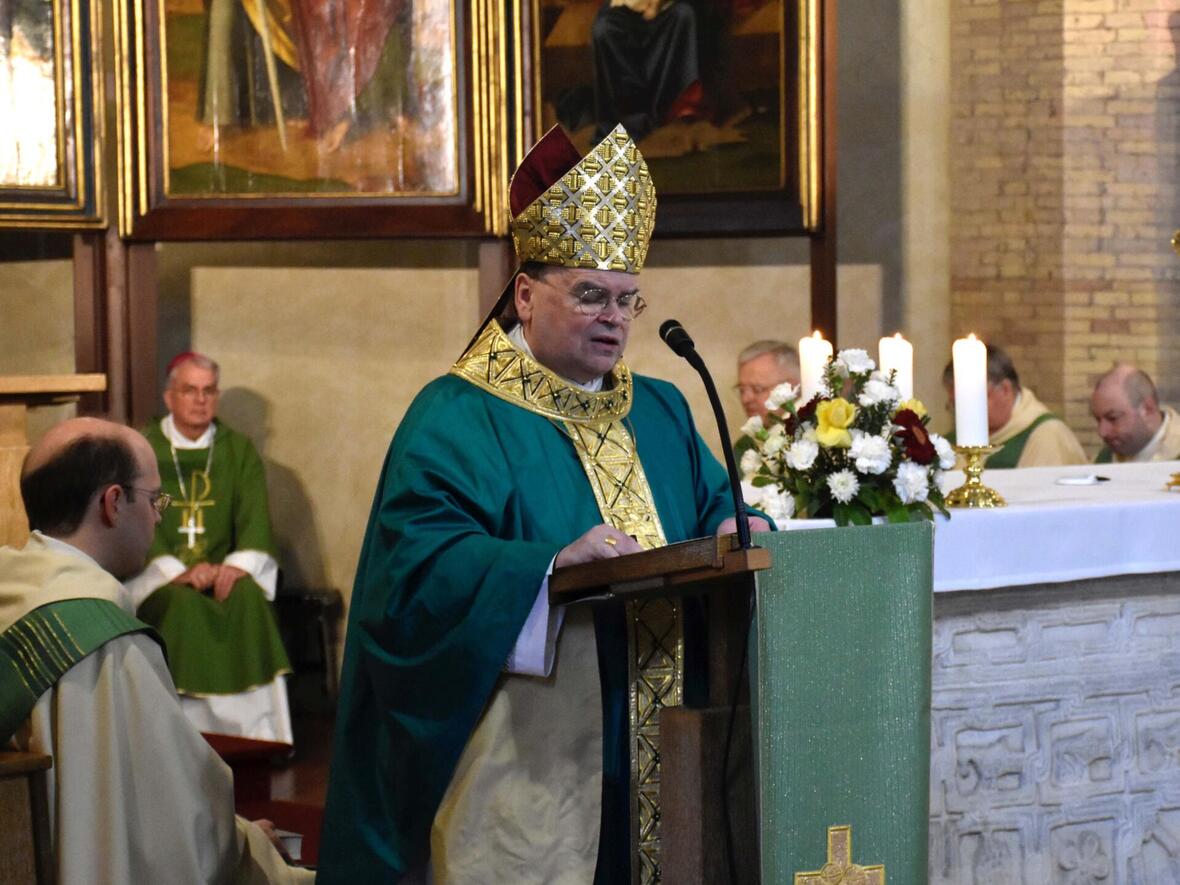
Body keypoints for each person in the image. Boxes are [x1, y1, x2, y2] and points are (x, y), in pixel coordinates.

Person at [319, 123, 769, 882]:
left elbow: (713, 507)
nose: (615, 318)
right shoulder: (456, 413)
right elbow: (415, 576)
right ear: (525, 294)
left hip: (671, 738)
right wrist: (547, 566)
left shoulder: (657, 408)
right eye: (590, 294)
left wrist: (736, 521)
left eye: (628, 298)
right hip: (534, 758)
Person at [0, 417, 311, 884]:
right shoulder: (107, 644)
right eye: (154, 499)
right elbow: (176, 822)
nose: (160, 514)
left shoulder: (11, 591)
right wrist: (247, 843)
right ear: (113, 503)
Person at [125, 352, 293, 743]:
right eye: (190, 390)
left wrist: (235, 565)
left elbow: (254, 516)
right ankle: (180, 737)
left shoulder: (238, 451)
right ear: (170, 398)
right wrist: (174, 570)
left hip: (221, 573)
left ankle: (258, 738)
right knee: (181, 605)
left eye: (209, 390)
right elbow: (142, 514)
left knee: (248, 597)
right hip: (165, 578)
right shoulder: (144, 449)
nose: (200, 399)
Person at [942, 343, 1086, 469]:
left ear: (1005, 389)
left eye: (972, 401)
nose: (964, 413)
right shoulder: (953, 440)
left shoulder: (1047, 435)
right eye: (956, 405)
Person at [1091, 363, 1180, 462]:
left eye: (1113, 418)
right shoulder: (1104, 458)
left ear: (1148, 409)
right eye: (1098, 420)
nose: (1102, 432)